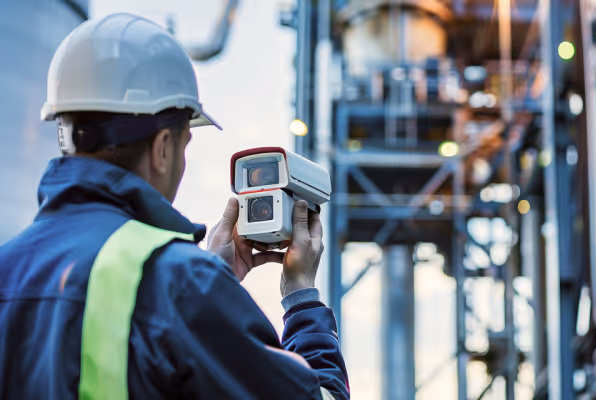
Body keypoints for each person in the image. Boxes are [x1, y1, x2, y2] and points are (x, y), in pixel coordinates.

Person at [0, 13, 349, 400]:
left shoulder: (8, 266)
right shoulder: (180, 284)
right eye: (185, 145)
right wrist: (299, 293)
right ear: (163, 147)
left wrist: (216, 279)